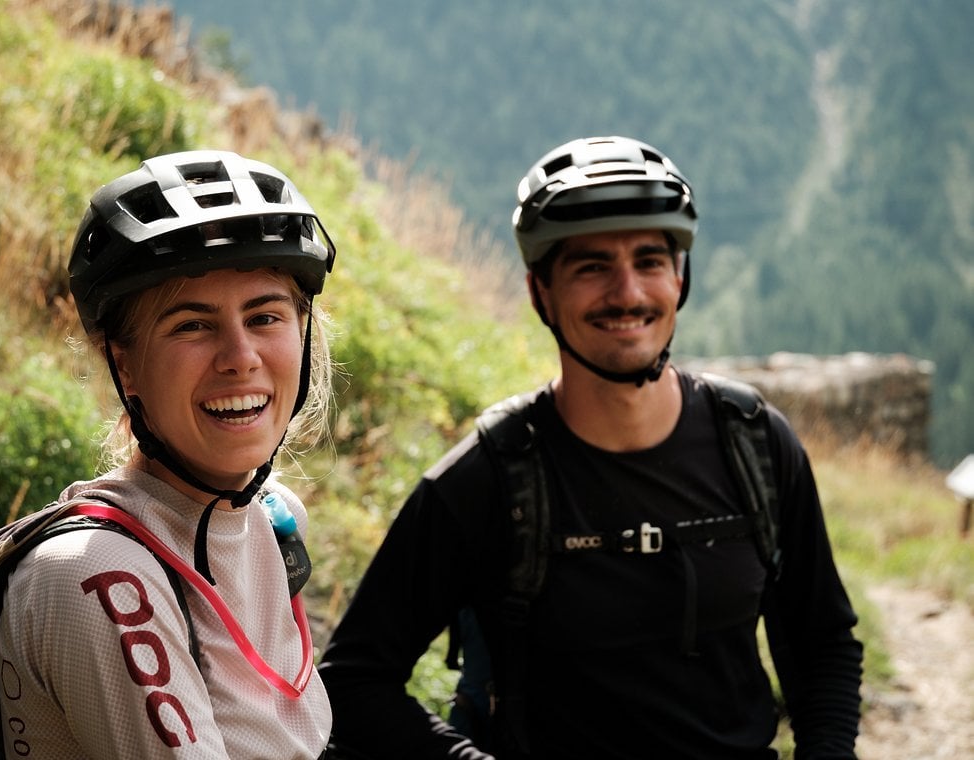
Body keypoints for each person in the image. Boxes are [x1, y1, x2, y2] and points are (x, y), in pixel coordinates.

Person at [318, 136, 863, 759]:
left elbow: (823, 642)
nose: (627, 292)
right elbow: (355, 680)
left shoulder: (758, 443)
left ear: (679, 279)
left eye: (650, 261)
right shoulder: (487, 480)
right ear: (539, 293)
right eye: (592, 266)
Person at [0, 150, 338, 759]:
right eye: (191, 325)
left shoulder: (275, 520)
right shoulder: (93, 576)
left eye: (264, 316)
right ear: (125, 364)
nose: (240, 356)